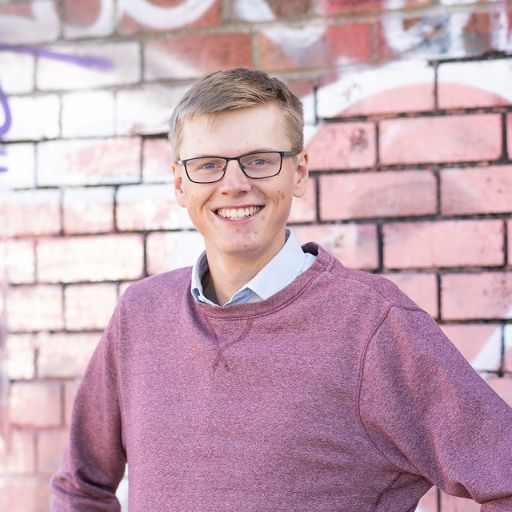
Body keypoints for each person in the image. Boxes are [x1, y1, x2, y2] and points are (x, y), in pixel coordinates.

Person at [51, 68, 512, 511]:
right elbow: (81, 486)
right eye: (208, 165)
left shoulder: (371, 324)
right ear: (179, 183)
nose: (234, 184)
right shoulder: (141, 314)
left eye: (259, 161)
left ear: (299, 171)